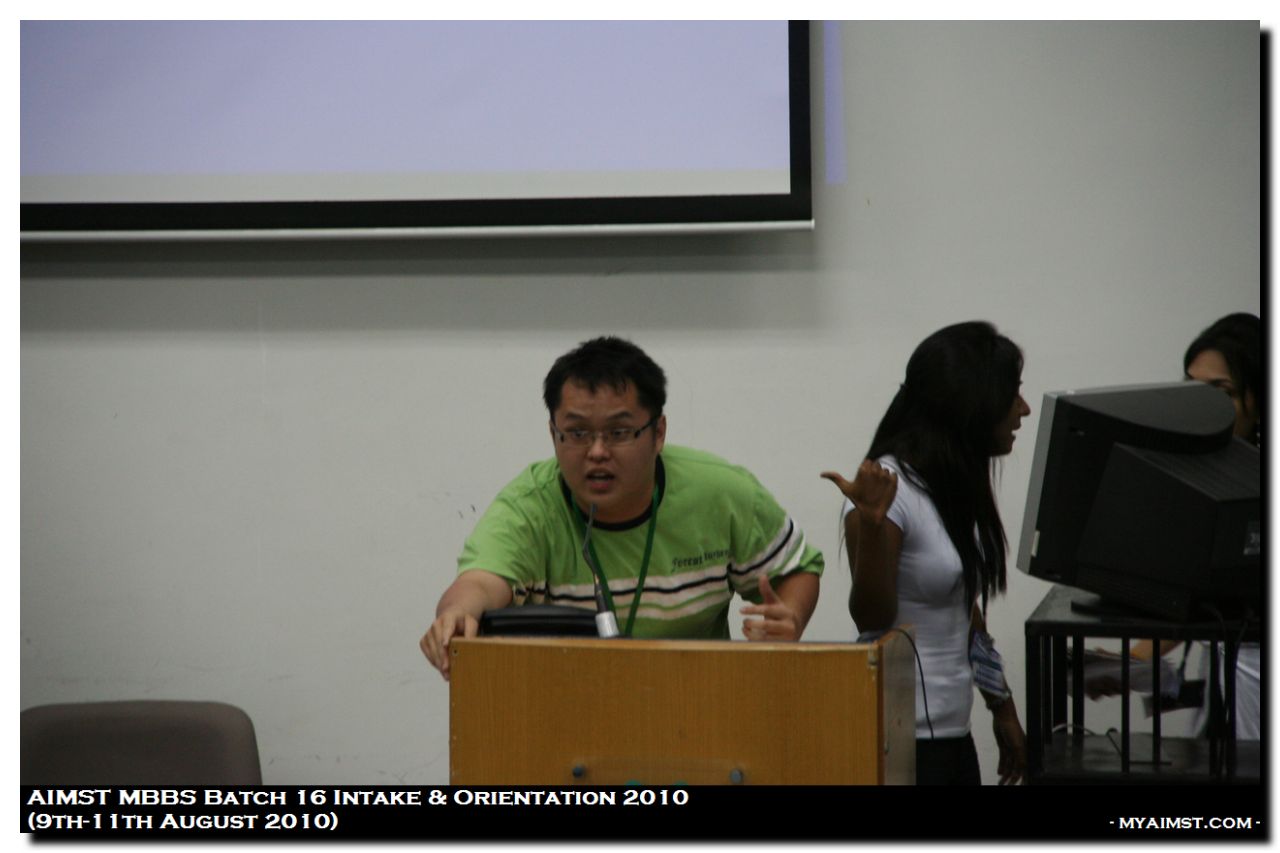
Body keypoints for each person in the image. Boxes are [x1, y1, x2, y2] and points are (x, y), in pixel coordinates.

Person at [420, 336, 824, 680]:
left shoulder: (721, 493)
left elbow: (796, 568)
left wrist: (789, 617)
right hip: (563, 709)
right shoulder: (529, 508)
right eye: (577, 432)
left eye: (618, 432)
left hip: (695, 702)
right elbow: (479, 584)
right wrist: (455, 614)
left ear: (658, 432)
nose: (597, 451)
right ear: (553, 433)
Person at [821, 321, 1029, 785]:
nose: (1023, 408)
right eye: (1012, 393)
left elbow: (966, 611)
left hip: (951, 734)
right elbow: (872, 618)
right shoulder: (888, 491)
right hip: (902, 739)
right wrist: (872, 525)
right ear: (971, 404)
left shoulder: (946, 485)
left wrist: (1002, 707)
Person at [1087, 312, 1261, 740]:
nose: (1204, 406)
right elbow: (1201, 597)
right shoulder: (1206, 479)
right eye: (1192, 389)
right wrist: (1133, 664)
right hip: (1231, 682)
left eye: (1222, 392)